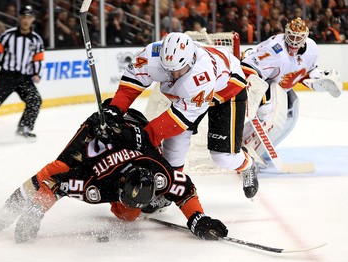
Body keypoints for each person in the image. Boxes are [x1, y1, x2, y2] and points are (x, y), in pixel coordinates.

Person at [0, 102, 228, 243]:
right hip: (95, 135)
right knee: (57, 168)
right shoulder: (95, 182)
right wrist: (36, 210)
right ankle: (8, 209)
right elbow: (56, 183)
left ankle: (147, 200)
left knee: (128, 216)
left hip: (136, 131)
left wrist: (198, 219)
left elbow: (184, 188)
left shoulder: (159, 173)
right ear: (120, 183)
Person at [108, 32, 259, 200]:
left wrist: (142, 137)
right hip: (190, 99)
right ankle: (168, 192)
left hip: (227, 90)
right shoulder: (151, 55)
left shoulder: (201, 75)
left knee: (222, 157)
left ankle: (247, 164)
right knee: (172, 152)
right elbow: (128, 88)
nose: (175, 76)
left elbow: (177, 121)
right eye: (170, 70)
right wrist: (114, 110)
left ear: (192, 60)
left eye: (180, 70)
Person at [240, 17, 343, 166]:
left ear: (305, 37)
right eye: (291, 36)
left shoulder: (312, 49)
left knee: (290, 116)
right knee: (269, 115)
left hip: (282, 87)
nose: (294, 41)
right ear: (286, 33)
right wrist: (254, 92)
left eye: (298, 38)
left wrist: (320, 79)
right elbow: (249, 66)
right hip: (266, 82)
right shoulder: (275, 50)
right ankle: (242, 150)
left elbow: (307, 72)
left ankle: (261, 150)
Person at [0, 6, 44, 142]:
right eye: (23, 17)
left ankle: (24, 129)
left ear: (33, 19)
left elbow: (38, 58)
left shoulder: (36, 39)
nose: (26, 21)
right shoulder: (8, 35)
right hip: (7, 76)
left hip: (24, 78)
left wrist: (37, 73)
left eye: (29, 18)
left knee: (35, 100)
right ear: (19, 18)